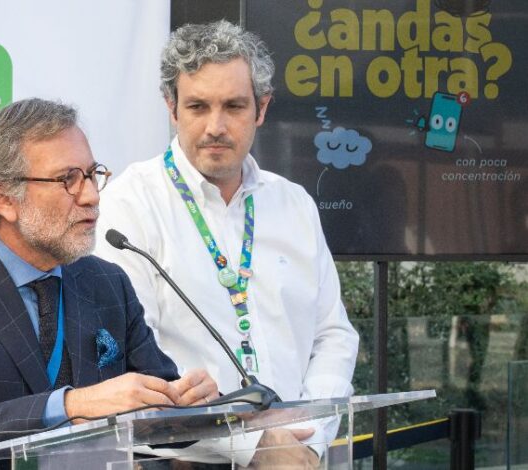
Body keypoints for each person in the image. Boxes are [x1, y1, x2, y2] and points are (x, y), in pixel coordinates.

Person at [0, 98, 218, 470]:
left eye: (92, 175)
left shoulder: (107, 282)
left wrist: (194, 405)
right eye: (68, 180)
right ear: (3, 198)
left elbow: (161, 411)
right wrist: (72, 405)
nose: (92, 196)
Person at [95, 20, 359, 467]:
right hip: (180, 461)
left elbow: (333, 335)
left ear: (261, 108)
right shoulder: (128, 204)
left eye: (234, 106)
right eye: (198, 106)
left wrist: (308, 440)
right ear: (171, 108)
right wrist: (255, 444)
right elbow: (132, 359)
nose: (215, 126)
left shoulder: (294, 203)